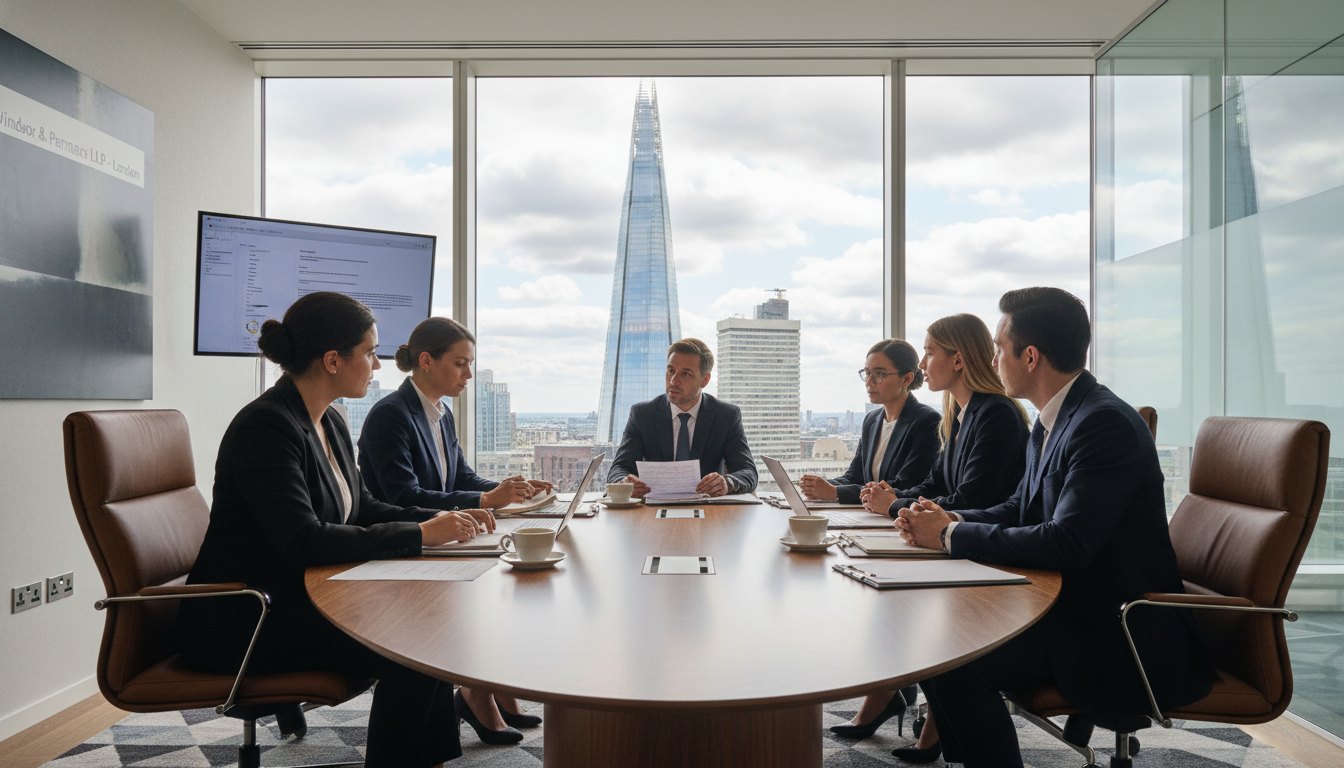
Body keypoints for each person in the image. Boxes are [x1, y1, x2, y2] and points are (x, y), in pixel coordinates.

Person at [894, 287, 1215, 768]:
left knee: (956, 659)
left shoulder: (1100, 424)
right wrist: (948, 521)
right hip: (1073, 607)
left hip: (1115, 630)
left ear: (1029, 356)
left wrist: (947, 537)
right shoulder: (1055, 419)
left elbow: (1067, 543)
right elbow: (1019, 508)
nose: (993, 359)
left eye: (999, 349)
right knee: (946, 641)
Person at [177, 292, 493, 768]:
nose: (378, 365)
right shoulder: (266, 427)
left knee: (430, 630)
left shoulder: (331, 420)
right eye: (369, 352)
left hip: (303, 597)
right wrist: (421, 536)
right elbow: (303, 539)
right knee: (416, 646)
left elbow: (360, 506)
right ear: (331, 360)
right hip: (249, 618)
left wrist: (433, 525)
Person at [832, 315, 1031, 762]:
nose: (923, 363)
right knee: (880, 582)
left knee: (900, 595)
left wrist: (901, 509)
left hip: (987, 550)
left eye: (929, 352)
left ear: (958, 360)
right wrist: (901, 504)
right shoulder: (961, 414)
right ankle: (910, 710)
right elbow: (939, 486)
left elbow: (970, 497)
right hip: (961, 540)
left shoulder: (995, 412)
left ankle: (920, 718)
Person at [358, 315, 552, 744]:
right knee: (495, 587)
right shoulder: (391, 414)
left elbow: (460, 478)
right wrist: (484, 501)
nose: (468, 374)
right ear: (426, 361)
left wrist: (510, 490)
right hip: (404, 542)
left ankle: (488, 689)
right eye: (461, 364)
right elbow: (402, 495)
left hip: (444, 536)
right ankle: (477, 696)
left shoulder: (439, 413)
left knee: (510, 585)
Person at [798, 339, 939, 505]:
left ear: (906, 379)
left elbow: (907, 485)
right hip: (869, 515)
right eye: (867, 373)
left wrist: (834, 492)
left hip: (899, 519)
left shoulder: (927, 422)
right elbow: (854, 476)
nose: (868, 382)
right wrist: (817, 487)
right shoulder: (871, 420)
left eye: (879, 374)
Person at [609, 338, 757, 496]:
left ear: (704, 380)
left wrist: (727, 483)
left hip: (709, 511)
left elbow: (748, 472)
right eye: (671, 370)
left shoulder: (726, 416)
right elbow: (618, 469)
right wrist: (624, 482)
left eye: (685, 374)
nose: (673, 381)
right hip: (653, 511)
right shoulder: (642, 414)